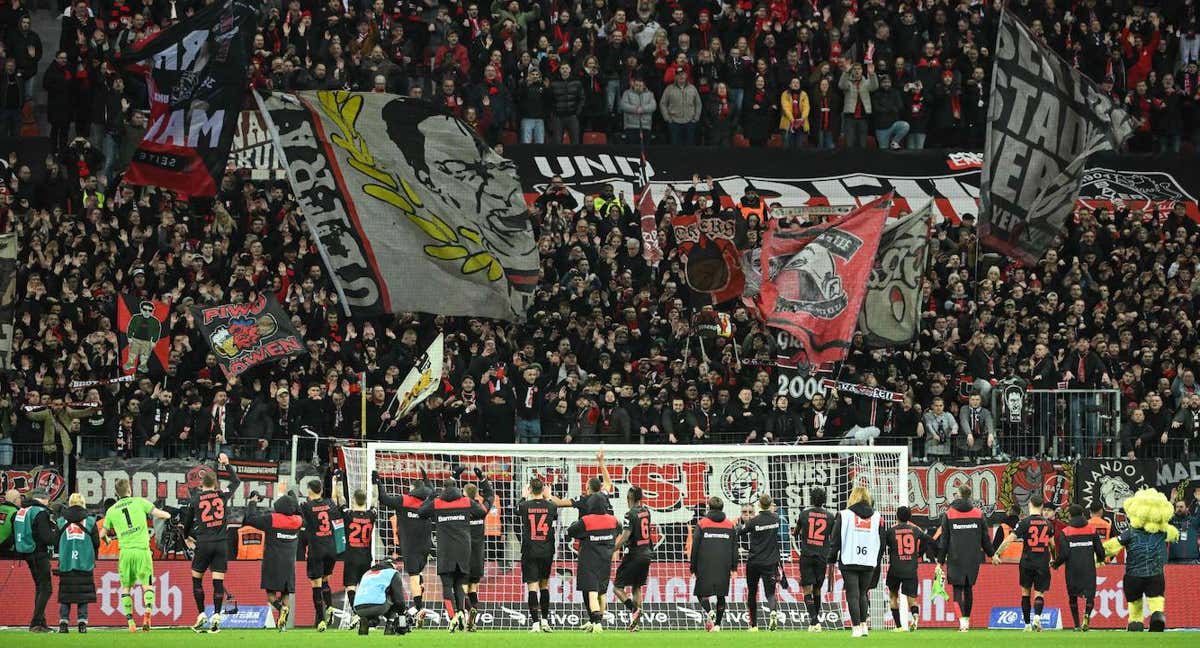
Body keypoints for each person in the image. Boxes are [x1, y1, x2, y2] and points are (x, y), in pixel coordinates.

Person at [418, 467, 493, 633]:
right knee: (460, 584)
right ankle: (461, 613)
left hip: (446, 551)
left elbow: (421, 512)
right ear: (458, 489)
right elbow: (482, 512)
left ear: (444, 489)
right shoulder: (466, 502)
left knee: (447, 585)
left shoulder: (437, 503)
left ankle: (452, 617)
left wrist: (430, 496)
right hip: (464, 551)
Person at [179, 452, 240, 633]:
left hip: (204, 543)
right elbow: (236, 481)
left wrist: (189, 538)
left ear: (201, 484)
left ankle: (201, 614)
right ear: (215, 484)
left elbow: (186, 525)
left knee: (197, 579)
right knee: (218, 582)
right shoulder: (222, 495)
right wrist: (227, 464)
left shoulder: (195, 500)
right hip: (221, 544)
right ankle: (216, 615)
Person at [1102, 489, 1178, 631]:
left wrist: (1098, 554)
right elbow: (1175, 535)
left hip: (1133, 575)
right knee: (1156, 599)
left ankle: (1136, 622)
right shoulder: (1163, 532)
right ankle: (1157, 616)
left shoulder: (1130, 533)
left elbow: (1112, 546)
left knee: (1135, 602)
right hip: (1156, 574)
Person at [103, 478, 173, 632]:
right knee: (147, 585)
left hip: (125, 553)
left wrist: (106, 539)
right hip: (142, 551)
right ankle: (147, 612)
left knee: (126, 588)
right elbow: (158, 514)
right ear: (130, 490)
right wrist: (168, 514)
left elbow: (103, 533)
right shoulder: (140, 502)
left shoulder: (111, 510)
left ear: (116, 493)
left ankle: (130, 622)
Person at [374, 467, 434, 625]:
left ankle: (420, 608)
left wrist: (378, 482)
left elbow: (384, 499)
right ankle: (417, 607)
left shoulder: (405, 500)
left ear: (413, 489)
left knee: (413, 576)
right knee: (419, 574)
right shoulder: (429, 501)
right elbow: (432, 491)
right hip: (426, 544)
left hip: (410, 545)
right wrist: (426, 478)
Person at [242, 482, 301, 631]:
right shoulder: (297, 521)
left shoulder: (272, 519)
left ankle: (281, 609)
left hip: (272, 562)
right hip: (289, 564)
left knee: (271, 596)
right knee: (286, 594)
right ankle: (283, 627)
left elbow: (250, 519)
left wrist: (253, 503)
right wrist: (294, 498)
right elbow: (300, 512)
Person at [993, 495, 1056, 631]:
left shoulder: (1024, 523)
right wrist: (1054, 558)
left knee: (1025, 593)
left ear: (1029, 505)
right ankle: (1037, 617)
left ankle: (1027, 624)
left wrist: (997, 553)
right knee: (1039, 593)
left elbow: (1010, 539)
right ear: (1041, 507)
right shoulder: (1048, 524)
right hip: (1043, 562)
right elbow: (1052, 545)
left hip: (1027, 562)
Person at [829, 485, 885, 638]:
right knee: (862, 593)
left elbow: (835, 540)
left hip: (849, 558)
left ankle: (856, 628)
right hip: (868, 560)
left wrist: (831, 558)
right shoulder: (877, 517)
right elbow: (882, 541)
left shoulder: (844, 514)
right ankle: (864, 625)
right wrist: (876, 560)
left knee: (853, 594)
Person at [937, 484, 994, 632]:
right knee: (968, 589)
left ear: (959, 495)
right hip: (973, 558)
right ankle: (967, 621)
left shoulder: (949, 514)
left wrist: (940, 561)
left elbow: (944, 540)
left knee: (957, 590)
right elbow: (985, 538)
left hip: (955, 558)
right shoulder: (978, 514)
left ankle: (962, 622)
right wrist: (992, 554)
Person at [567, 492, 621, 633]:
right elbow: (619, 531)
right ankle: (596, 621)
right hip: (606, 561)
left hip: (589, 560)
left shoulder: (587, 520)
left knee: (592, 591)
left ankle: (596, 622)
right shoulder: (613, 520)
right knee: (602, 593)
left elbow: (571, 531)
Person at [1053, 504, 1106, 631]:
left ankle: (1076, 624)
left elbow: (1064, 554)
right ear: (1083, 515)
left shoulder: (1066, 532)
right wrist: (1101, 559)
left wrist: (1056, 564)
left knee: (1072, 597)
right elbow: (1100, 549)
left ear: (1070, 516)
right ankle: (1087, 615)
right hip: (1088, 568)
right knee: (1090, 596)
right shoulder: (1091, 530)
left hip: (1072, 569)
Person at [332, 473, 375, 627]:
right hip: (366, 557)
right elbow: (376, 501)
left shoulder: (348, 515)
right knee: (365, 588)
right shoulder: (371, 515)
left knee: (350, 586)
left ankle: (356, 614)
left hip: (351, 557)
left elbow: (341, 499)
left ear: (354, 500)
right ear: (365, 501)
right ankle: (369, 617)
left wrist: (338, 481)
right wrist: (375, 483)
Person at [691, 495, 738, 632]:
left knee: (700, 593)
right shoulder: (729, 525)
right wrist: (734, 567)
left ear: (709, 508)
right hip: (724, 563)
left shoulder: (702, 523)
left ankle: (709, 612)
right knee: (721, 595)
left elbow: (695, 546)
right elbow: (734, 547)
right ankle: (717, 624)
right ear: (722, 508)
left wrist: (693, 566)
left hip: (704, 563)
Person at [517, 477, 558, 632]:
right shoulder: (551, 506)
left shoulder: (525, 505)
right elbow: (553, 515)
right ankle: (545, 621)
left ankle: (535, 624)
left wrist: (523, 495)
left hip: (529, 550)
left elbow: (517, 509)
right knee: (544, 585)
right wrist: (548, 497)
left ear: (530, 490)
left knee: (532, 587)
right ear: (543, 490)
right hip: (546, 551)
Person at [55, 492, 99, 634]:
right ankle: (82, 623)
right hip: (84, 563)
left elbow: (55, 541)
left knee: (66, 596)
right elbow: (96, 543)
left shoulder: (61, 521)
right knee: (83, 596)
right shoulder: (91, 521)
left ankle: (63, 623)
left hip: (66, 563)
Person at [884, 505, 933, 632]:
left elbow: (884, 545)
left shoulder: (891, 531)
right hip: (910, 568)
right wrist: (919, 553)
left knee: (893, 596)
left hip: (895, 568)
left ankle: (899, 626)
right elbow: (928, 540)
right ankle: (915, 619)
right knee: (912, 598)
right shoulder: (915, 530)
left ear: (897, 516)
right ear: (909, 517)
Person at [791, 486, 833, 631]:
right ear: (824, 500)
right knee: (817, 590)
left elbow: (795, 533)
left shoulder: (804, 514)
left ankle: (814, 621)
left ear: (811, 499)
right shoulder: (830, 516)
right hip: (822, 557)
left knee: (807, 589)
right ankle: (815, 622)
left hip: (807, 555)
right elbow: (832, 538)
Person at [14, 487, 56, 632]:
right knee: (46, 588)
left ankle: (41, 623)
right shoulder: (40, 512)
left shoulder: (22, 510)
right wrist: (57, 536)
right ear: (44, 498)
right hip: (38, 553)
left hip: (26, 552)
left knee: (40, 587)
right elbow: (46, 537)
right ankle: (36, 623)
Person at [739, 493, 782, 632]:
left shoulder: (754, 521)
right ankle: (773, 612)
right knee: (770, 593)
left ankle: (754, 626)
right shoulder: (776, 518)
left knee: (752, 592)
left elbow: (741, 532)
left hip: (754, 562)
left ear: (758, 505)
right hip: (770, 562)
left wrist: (740, 524)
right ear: (770, 505)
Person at [300, 478, 338, 631]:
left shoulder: (305, 506)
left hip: (316, 549)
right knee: (325, 581)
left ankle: (321, 620)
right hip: (331, 548)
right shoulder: (329, 504)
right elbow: (335, 498)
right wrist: (335, 484)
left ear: (309, 491)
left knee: (315, 585)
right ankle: (329, 606)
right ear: (321, 490)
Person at [613, 486, 652, 631]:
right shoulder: (646, 512)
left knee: (617, 588)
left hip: (634, 554)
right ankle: (636, 625)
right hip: (646, 554)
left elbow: (625, 537)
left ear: (629, 498)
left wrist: (612, 549)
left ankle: (633, 610)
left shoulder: (630, 514)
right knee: (637, 587)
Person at [462, 471, 495, 630]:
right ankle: (473, 620)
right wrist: (483, 479)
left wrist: (453, 478)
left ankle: (466, 614)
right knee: (473, 588)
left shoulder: (460, 509)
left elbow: (444, 499)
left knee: (461, 588)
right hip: (478, 554)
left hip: (462, 554)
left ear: (463, 494)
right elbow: (490, 496)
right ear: (476, 495)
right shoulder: (482, 509)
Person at [353, 558, 408, 636]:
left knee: (379, 595)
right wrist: (402, 615)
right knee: (395, 598)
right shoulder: (393, 572)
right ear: (393, 565)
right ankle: (390, 626)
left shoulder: (367, 573)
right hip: (378, 606)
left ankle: (368, 621)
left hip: (358, 608)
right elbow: (399, 599)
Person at [0, 489, 18, 558]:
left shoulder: (0, 508)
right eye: (19, 498)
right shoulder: (16, 512)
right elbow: (16, 534)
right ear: (15, 500)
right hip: (7, 550)